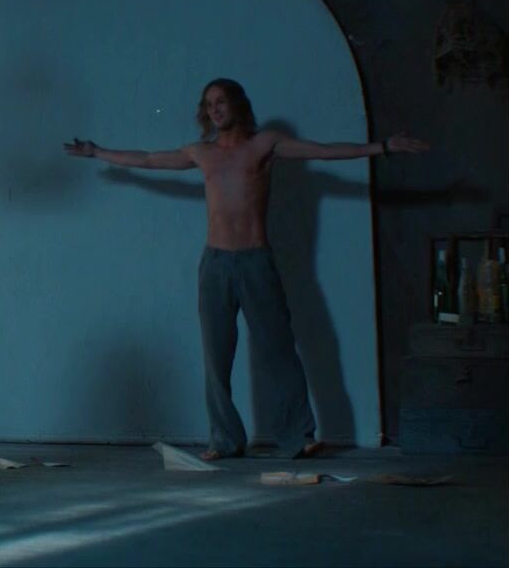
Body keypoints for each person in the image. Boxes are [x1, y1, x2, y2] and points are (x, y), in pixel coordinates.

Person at [64, 78, 429, 460]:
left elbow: (323, 151)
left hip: (255, 261)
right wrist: (96, 152)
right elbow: (149, 159)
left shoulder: (263, 145)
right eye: (209, 104)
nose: (215, 109)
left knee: (279, 350)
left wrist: (384, 146)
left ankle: (297, 436)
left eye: (221, 101)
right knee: (216, 357)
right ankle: (224, 439)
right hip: (215, 265)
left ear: (237, 104)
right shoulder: (202, 152)